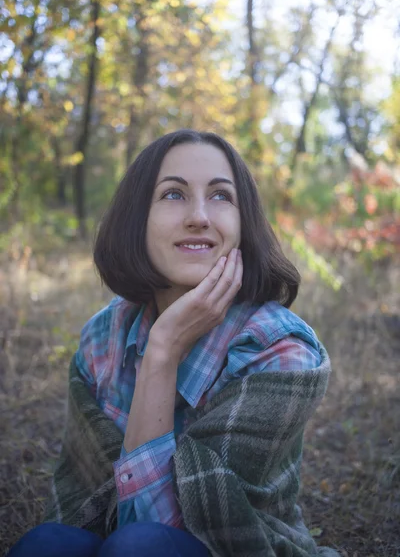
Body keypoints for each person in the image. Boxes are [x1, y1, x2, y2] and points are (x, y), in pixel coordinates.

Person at [7, 129, 339, 557]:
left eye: (221, 196)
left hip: (245, 547)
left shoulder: (280, 351)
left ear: (243, 224)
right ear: (136, 218)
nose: (199, 216)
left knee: (139, 546)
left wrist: (161, 353)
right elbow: (83, 505)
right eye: (173, 195)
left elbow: (201, 530)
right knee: (47, 544)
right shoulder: (101, 339)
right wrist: (162, 342)